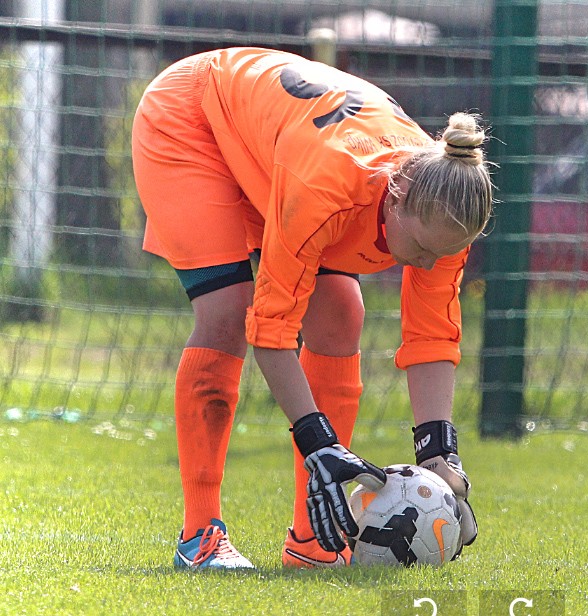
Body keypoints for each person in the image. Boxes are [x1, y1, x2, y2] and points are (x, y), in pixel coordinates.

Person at [131, 46, 492, 570]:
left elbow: (432, 337)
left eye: (444, 253)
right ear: (395, 199)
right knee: (228, 313)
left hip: (276, 150)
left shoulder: (446, 206)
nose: (427, 263)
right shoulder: (328, 189)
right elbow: (270, 332)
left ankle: (313, 544)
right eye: (419, 248)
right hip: (192, 117)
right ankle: (200, 536)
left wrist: (440, 456)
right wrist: (317, 439)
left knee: (342, 312)